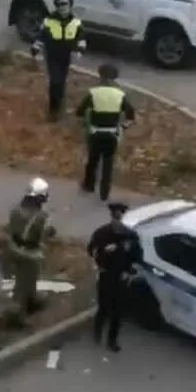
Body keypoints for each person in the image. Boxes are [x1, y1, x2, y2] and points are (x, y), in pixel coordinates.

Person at [87, 201, 144, 352]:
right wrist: (98, 259)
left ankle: (112, 340)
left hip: (121, 278)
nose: (117, 221)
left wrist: (130, 270)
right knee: (103, 307)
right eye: (115, 217)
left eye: (119, 217)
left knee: (118, 312)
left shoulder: (130, 236)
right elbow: (91, 250)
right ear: (111, 217)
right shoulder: (101, 233)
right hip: (105, 275)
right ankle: (97, 333)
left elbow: (138, 256)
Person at [75, 63, 135, 202]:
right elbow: (131, 116)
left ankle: (88, 185)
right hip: (112, 134)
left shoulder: (93, 93)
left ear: (100, 76)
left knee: (92, 160)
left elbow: (79, 112)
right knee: (108, 162)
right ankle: (104, 191)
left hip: (96, 133)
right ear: (115, 78)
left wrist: (85, 124)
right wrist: (123, 127)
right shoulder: (120, 95)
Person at [5, 177, 56, 325]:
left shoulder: (15, 209)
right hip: (30, 254)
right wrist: (50, 230)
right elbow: (46, 233)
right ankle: (17, 317)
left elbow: (11, 228)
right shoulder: (40, 217)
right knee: (23, 285)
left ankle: (32, 299)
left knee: (27, 282)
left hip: (14, 248)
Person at [31, 0, 87, 121]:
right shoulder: (49, 21)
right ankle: (53, 109)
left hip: (66, 56)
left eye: (65, 4)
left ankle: (59, 103)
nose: (62, 7)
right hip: (52, 55)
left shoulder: (76, 22)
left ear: (70, 6)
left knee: (61, 82)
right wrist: (35, 48)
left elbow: (81, 37)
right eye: (59, 5)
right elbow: (41, 36)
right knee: (55, 81)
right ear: (56, 7)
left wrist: (80, 50)